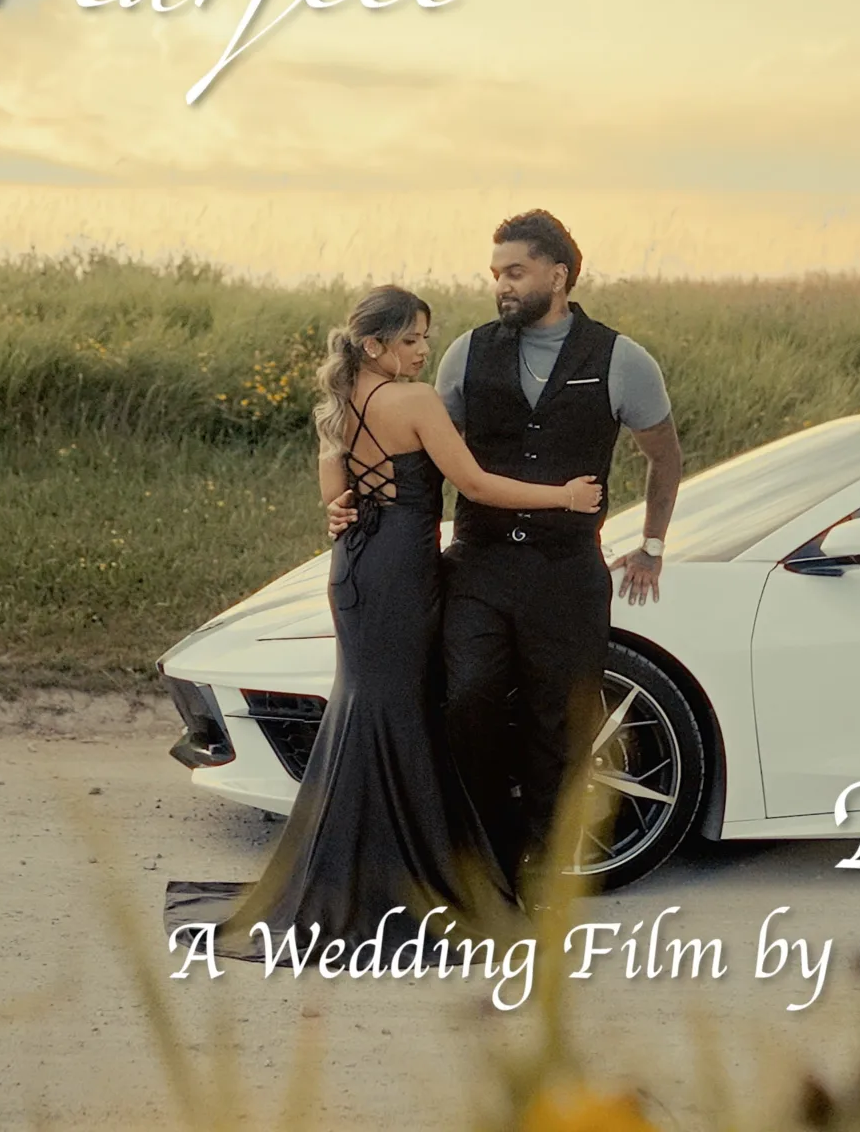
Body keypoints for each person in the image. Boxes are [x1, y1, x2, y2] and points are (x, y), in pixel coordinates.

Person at [166, 285, 602, 954]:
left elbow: (335, 499)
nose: (424, 350)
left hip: (355, 570)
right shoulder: (415, 402)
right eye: (410, 340)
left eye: (426, 337)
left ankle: (357, 868)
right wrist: (563, 496)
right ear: (373, 345)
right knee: (398, 712)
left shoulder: (338, 404)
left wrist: (340, 512)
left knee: (366, 706)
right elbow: (475, 485)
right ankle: (399, 878)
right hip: (401, 570)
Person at [335, 210, 683, 902]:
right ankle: (481, 871)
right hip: (479, 564)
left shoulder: (621, 360)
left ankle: (541, 879)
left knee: (562, 725)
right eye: (496, 273)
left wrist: (652, 545)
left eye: (515, 272)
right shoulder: (466, 353)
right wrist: (354, 500)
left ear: (559, 274)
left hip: (567, 571)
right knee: (467, 702)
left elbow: (664, 455)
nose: (501, 285)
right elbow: (421, 449)